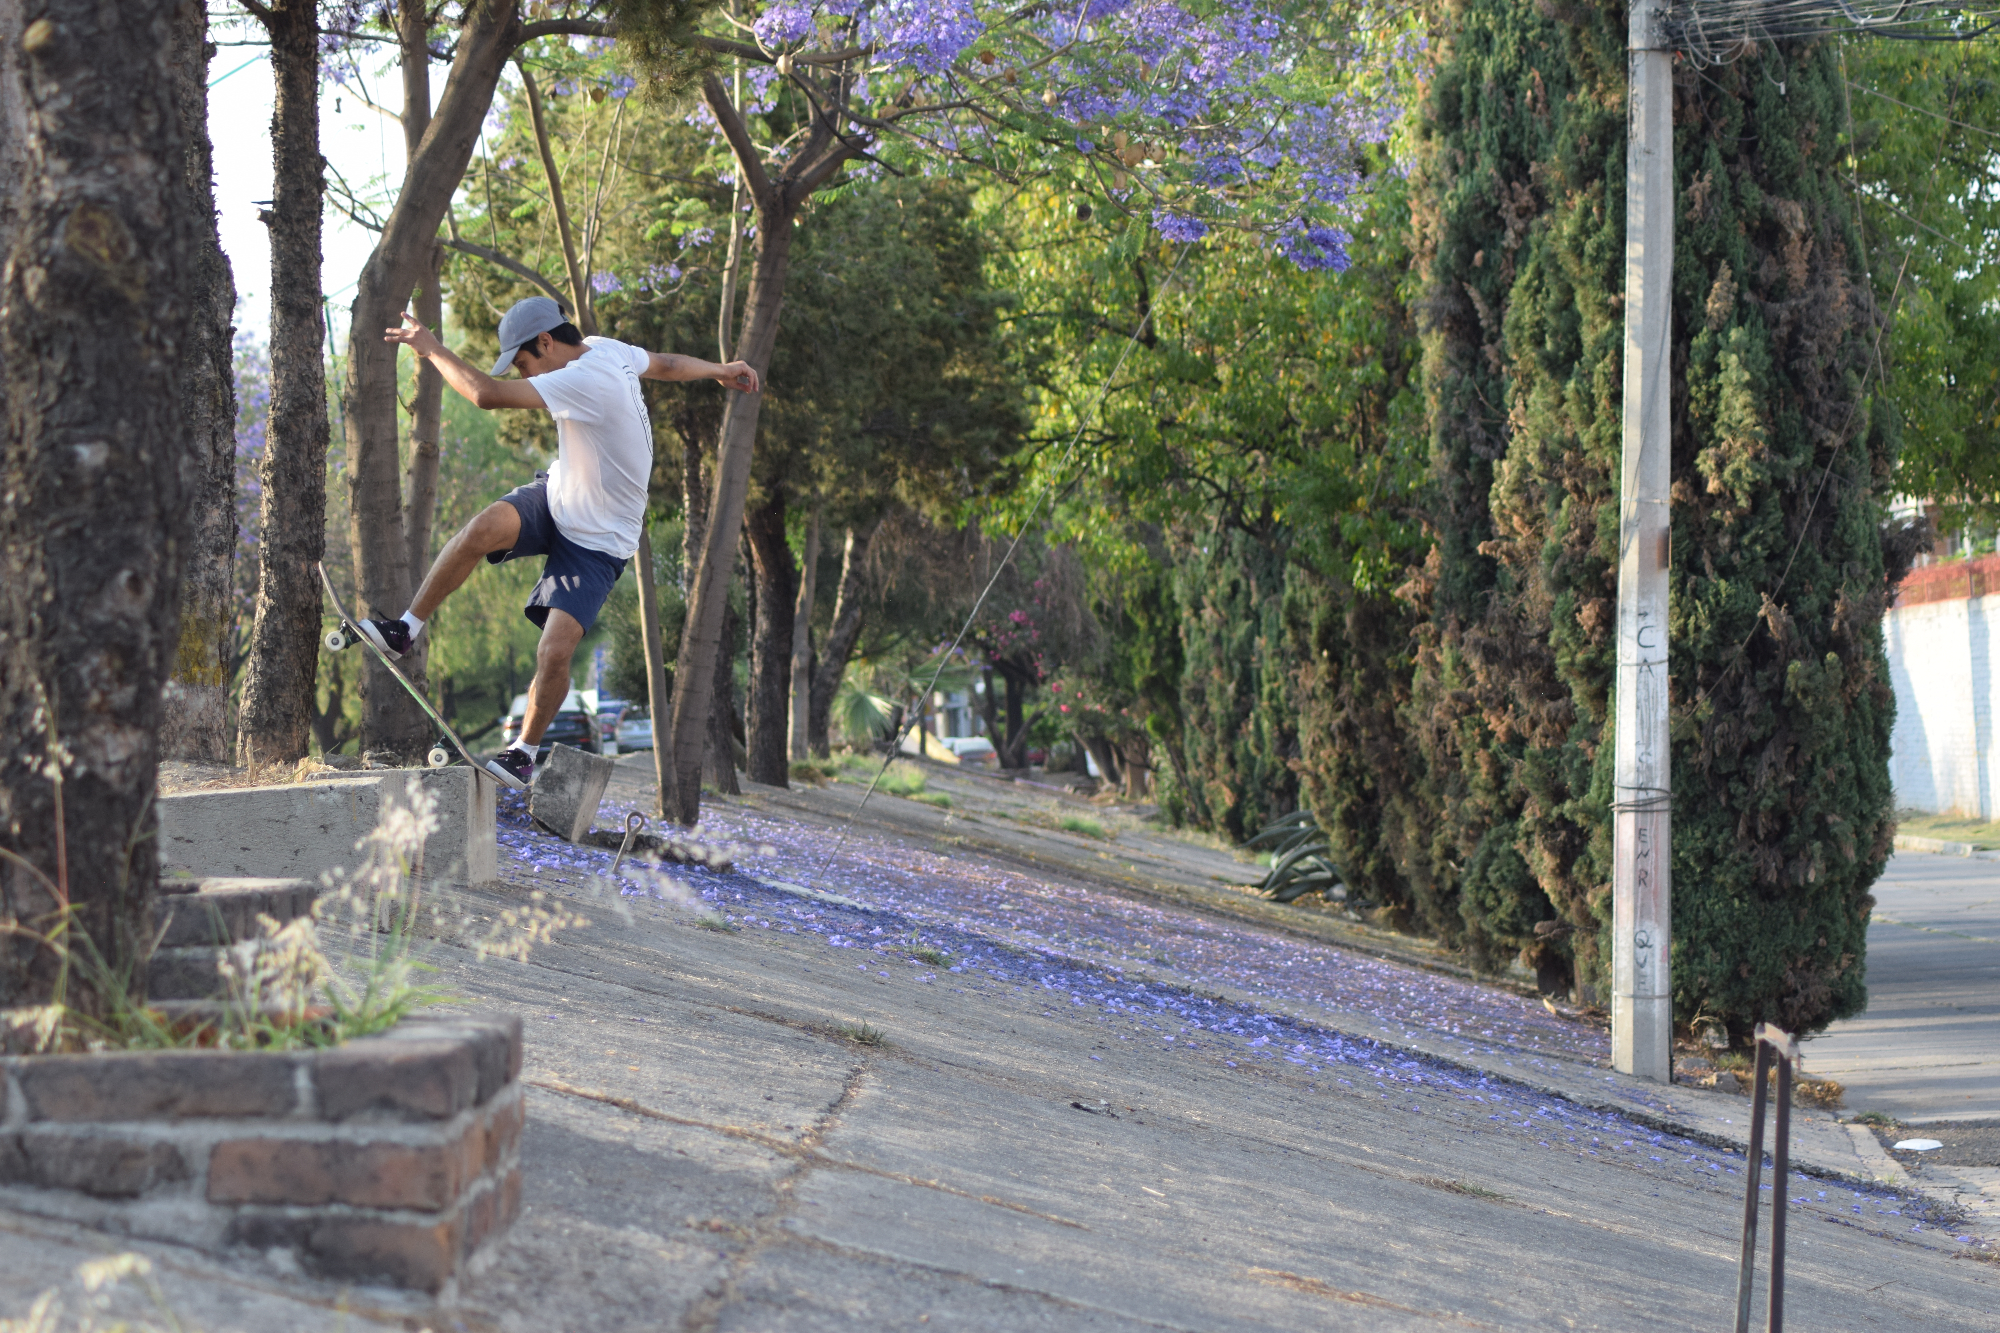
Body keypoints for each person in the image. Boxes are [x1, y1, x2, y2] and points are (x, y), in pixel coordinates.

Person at [366, 295, 759, 789]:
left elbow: (485, 395)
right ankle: (404, 629)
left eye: (526, 363)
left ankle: (523, 753)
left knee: (553, 652)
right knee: (483, 528)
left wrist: (430, 349)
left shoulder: (587, 377)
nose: (527, 375)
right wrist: (720, 369)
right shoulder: (602, 349)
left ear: (547, 342)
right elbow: (666, 364)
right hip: (559, 496)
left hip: (600, 542)